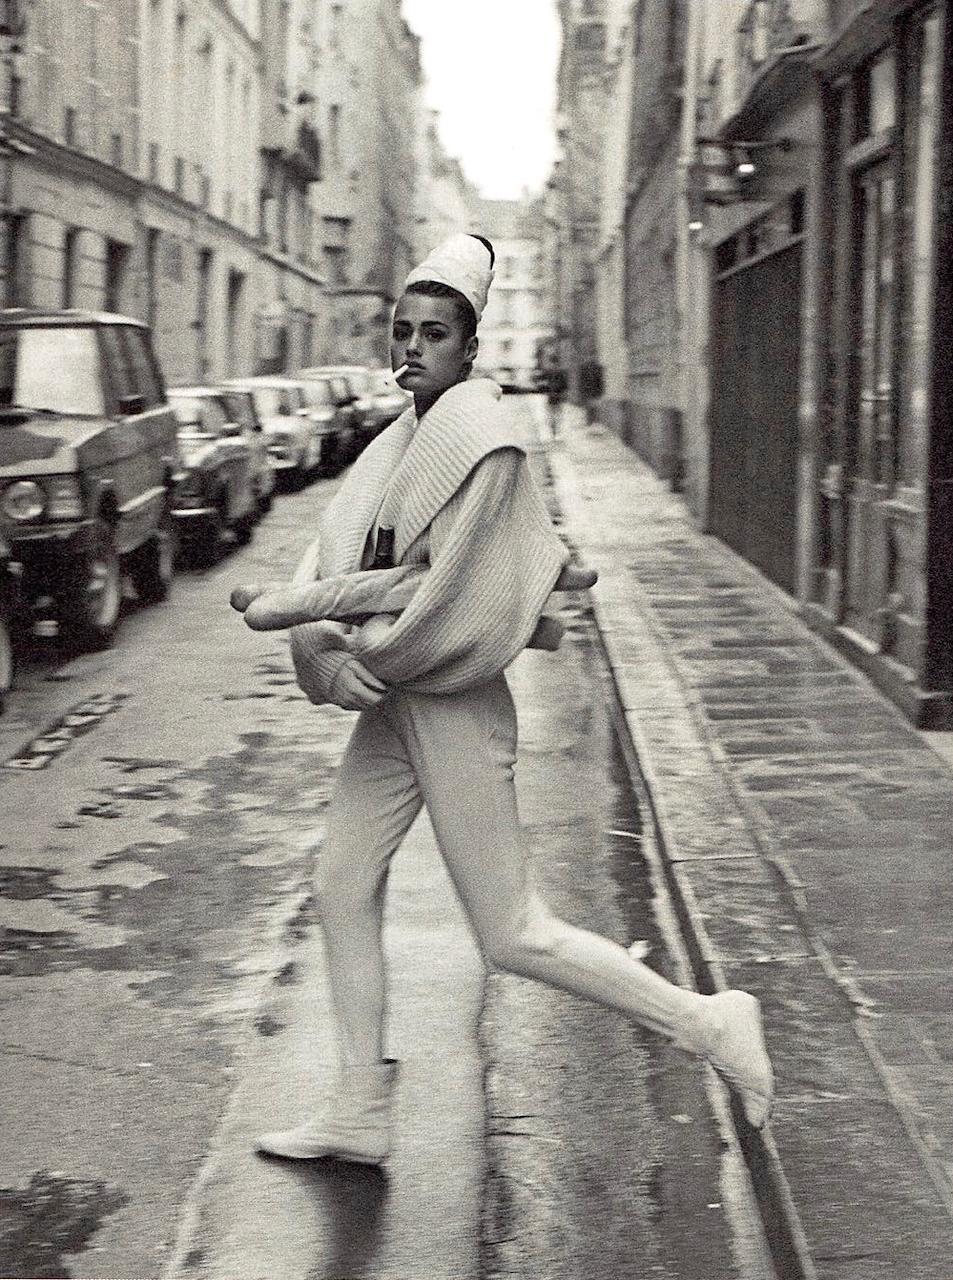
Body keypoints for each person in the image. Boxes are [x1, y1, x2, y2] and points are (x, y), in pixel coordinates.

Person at [235, 233, 774, 1164]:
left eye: (433, 334)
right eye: (401, 331)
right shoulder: (393, 440)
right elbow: (341, 551)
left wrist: (297, 612)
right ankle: (359, 1108)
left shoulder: (487, 443)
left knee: (513, 932)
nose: (410, 348)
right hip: (394, 700)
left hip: (449, 697)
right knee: (338, 887)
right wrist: (318, 650)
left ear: (471, 346)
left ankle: (709, 1021)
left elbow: (436, 589)